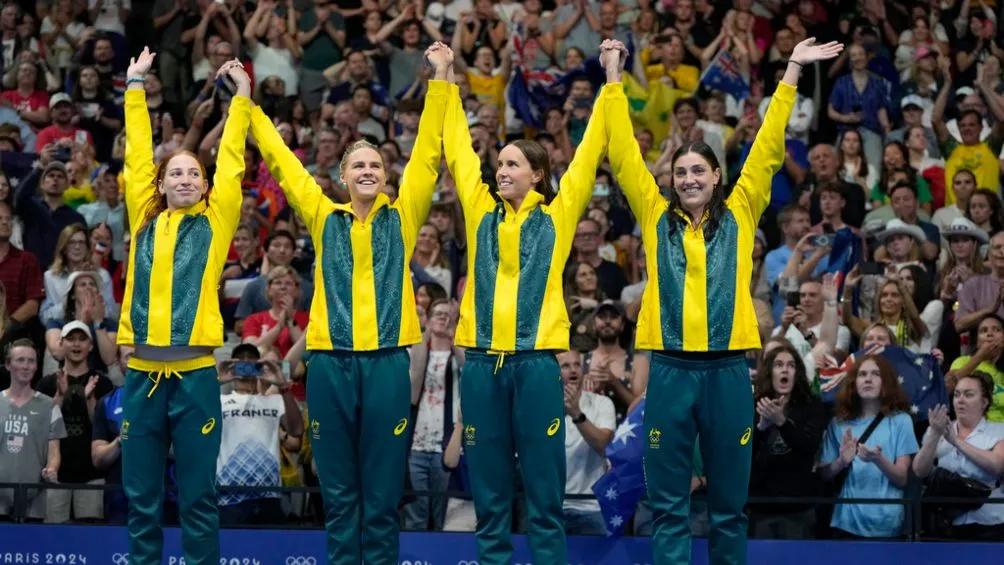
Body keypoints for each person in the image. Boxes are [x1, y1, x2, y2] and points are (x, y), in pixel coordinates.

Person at [601, 37, 843, 565]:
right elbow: (621, 153)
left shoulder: (742, 210)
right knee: (668, 505)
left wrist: (793, 71)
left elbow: (769, 147)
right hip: (668, 370)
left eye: (698, 171)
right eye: (680, 173)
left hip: (731, 371)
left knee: (730, 508)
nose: (687, 179)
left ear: (716, 176)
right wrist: (614, 78)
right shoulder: (654, 216)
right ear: (671, 181)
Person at [248, 43, 452, 565]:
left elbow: (429, 151)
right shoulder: (323, 216)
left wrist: (442, 79)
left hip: (386, 363)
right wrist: (249, 107)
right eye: (356, 164)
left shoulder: (402, 217)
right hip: (330, 365)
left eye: (375, 164)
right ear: (342, 177)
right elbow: (284, 163)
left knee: (381, 501)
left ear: (386, 176)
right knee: (339, 499)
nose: (366, 170)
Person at [442, 38, 612, 565]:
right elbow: (455, 148)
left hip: (538, 365)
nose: (501, 169)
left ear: (537, 174)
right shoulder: (479, 210)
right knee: (488, 496)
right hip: (482, 365)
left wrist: (610, 80)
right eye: (499, 163)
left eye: (513, 163)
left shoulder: (558, 217)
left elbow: (587, 157)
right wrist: (446, 78)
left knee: (544, 493)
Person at [117, 47, 252, 565]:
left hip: (195, 377)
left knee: (198, 499)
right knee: (141, 500)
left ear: (203, 183)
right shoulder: (143, 218)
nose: (184, 180)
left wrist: (241, 99)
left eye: (193, 173)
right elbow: (135, 157)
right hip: (142, 374)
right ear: (162, 182)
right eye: (174, 173)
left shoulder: (216, 222)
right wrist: (134, 87)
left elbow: (234, 163)